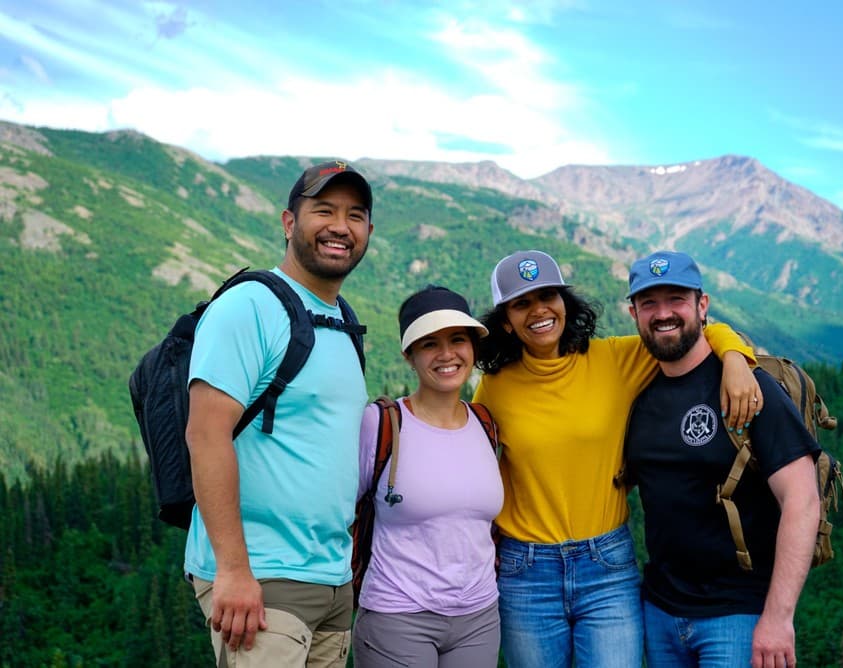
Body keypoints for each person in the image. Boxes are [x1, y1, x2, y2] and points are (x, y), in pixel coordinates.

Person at [472, 249, 761, 668]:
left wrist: (736, 359)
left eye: (547, 296)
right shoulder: (495, 388)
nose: (539, 311)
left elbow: (691, 332)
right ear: (505, 321)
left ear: (564, 303)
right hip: (526, 571)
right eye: (521, 303)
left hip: (605, 568)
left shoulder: (615, 359)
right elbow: (473, 467)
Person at [184, 161, 374, 667]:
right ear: (289, 223)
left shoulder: (343, 320)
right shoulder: (249, 306)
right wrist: (232, 570)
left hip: (332, 581)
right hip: (262, 583)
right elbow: (205, 436)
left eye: (355, 215)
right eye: (324, 211)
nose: (341, 226)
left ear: (369, 233)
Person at [622, 250, 821, 668]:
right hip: (658, 612)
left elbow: (802, 501)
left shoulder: (750, 389)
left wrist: (778, 617)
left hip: (738, 616)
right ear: (634, 313)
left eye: (676, 299)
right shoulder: (635, 390)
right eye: (649, 304)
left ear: (702, 305)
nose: (663, 314)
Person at [351, 285, 504, 667]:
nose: (447, 354)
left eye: (457, 340)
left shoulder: (485, 424)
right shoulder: (383, 424)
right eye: (429, 344)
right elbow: (337, 510)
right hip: (397, 615)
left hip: (479, 617)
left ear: (473, 347)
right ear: (409, 355)